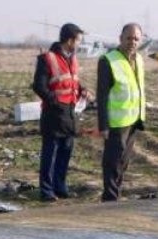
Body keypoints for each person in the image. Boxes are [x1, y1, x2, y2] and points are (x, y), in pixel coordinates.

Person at [32, 23, 89, 201]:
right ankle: (47, 191)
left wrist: (82, 90)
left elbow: (72, 81)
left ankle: (60, 186)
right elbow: (39, 86)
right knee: (50, 154)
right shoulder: (47, 58)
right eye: (78, 40)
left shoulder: (73, 59)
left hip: (70, 114)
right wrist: (54, 101)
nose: (80, 44)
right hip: (53, 114)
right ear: (70, 40)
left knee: (65, 152)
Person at [97, 24, 147, 202]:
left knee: (124, 162)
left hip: (133, 118)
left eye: (136, 39)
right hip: (116, 122)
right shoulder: (108, 61)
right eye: (129, 38)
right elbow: (102, 95)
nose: (132, 42)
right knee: (112, 162)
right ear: (121, 38)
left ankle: (116, 193)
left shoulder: (138, 59)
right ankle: (110, 199)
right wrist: (103, 125)